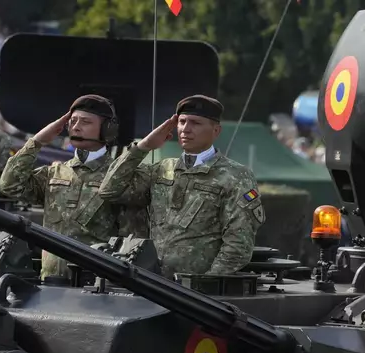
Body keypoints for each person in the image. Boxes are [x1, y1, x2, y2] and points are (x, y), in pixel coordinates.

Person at [98, 95, 265, 279]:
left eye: (195, 123)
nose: (185, 129)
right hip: (150, 283)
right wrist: (143, 147)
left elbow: (238, 243)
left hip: (195, 293)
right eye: (182, 122)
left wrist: (206, 285)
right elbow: (109, 190)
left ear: (216, 130)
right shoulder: (161, 169)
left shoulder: (235, 175)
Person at [0, 94, 149, 280]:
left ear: (107, 130)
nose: (76, 126)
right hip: (51, 281)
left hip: (96, 286)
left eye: (85, 122)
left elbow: (132, 239)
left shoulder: (119, 178)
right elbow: (9, 185)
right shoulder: (54, 173)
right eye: (73, 121)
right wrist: (36, 142)